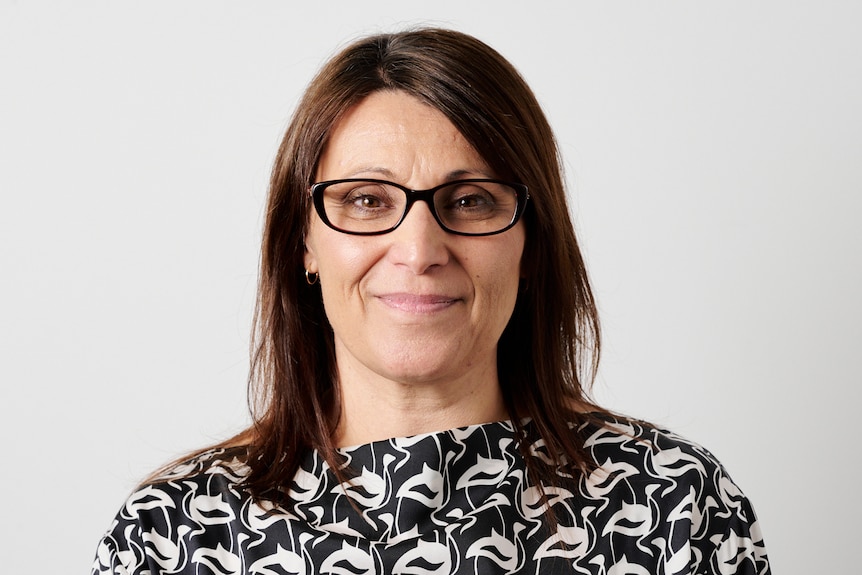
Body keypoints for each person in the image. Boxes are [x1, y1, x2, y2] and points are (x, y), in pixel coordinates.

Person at [92, 28, 770, 574]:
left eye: (470, 200)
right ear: (303, 241)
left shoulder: (674, 504)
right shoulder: (171, 535)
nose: (419, 249)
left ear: (532, 243)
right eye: (365, 200)